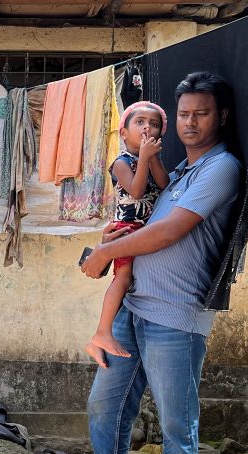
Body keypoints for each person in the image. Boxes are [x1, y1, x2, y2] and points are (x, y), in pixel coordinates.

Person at [50, 72, 241, 454]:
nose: (190, 122)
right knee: (105, 406)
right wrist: (109, 245)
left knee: (178, 425)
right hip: (132, 310)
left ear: (221, 116)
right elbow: (138, 218)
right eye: (183, 114)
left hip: (176, 317)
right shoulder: (174, 174)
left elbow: (170, 232)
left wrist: (98, 255)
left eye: (201, 113)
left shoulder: (222, 168)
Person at [85, 100, 170, 368]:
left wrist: (151, 156)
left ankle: (107, 332)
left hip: (146, 230)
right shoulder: (121, 163)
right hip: (127, 230)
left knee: (132, 280)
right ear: (124, 133)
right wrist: (144, 157)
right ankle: (102, 332)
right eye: (140, 122)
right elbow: (136, 191)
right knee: (122, 278)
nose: (147, 127)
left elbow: (164, 185)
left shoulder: (150, 157)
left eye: (154, 124)